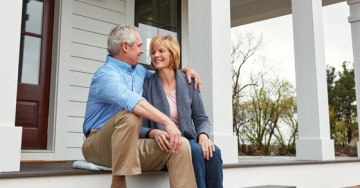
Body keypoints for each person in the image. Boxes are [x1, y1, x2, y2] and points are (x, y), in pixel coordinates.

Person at [82, 25, 200, 188]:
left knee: (180, 146)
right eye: (139, 45)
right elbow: (133, 102)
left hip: (130, 144)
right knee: (131, 114)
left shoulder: (139, 72)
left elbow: (165, 75)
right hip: (98, 145)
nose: (142, 51)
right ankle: (118, 181)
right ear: (125, 47)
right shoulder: (105, 75)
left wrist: (186, 71)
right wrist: (167, 122)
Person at [140, 35, 223, 188]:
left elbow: (201, 118)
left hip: (190, 140)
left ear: (172, 54)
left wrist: (203, 136)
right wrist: (153, 133)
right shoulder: (147, 85)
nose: (155, 55)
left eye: (161, 51)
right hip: (166, 145)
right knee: (195, 152)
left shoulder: (189, 81)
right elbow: (141, 126)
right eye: (153, 52)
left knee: (214, 152)